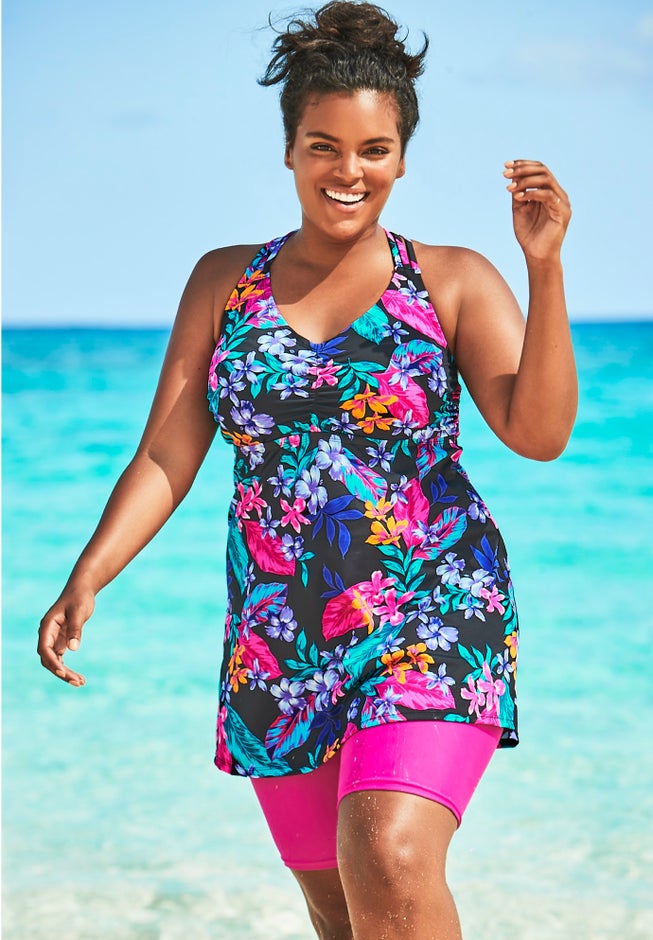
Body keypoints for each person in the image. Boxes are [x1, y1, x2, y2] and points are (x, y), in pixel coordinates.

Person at [38, 2, 577, 937]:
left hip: (431, 605)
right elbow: (166, 452)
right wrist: (88, 576)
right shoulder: (224, 282)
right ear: (289, 150)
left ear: (401, 158)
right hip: (278, 637)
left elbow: (537, 433)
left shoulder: (449, 279)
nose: (347, 171)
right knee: (341, 910)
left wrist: (544, 268)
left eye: (373, 150)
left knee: (388, 856)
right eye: (323, 146)